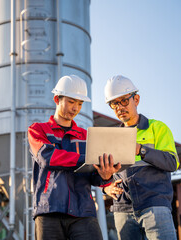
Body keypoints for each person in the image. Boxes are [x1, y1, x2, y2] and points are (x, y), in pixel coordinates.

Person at [28, 75, 121, 240]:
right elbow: (48, 157)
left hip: (83, 211)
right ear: (57, 99)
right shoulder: (38, 130)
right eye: (71, 102)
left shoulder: (87, 137)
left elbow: (94, 177)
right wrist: (87, 159)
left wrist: (105, 175)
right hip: (49, 209)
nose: (76, 108)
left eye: (80, 103)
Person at [103, 75, 179, 240]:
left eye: (123, 101)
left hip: (155, 206)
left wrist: (141, 150)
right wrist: (106, 187)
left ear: (136, 99)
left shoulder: (157, 128)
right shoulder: (110, 137)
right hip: (123, 210)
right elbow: (104, 172)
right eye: (114, 104)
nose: (119, 107)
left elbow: (172, 162)